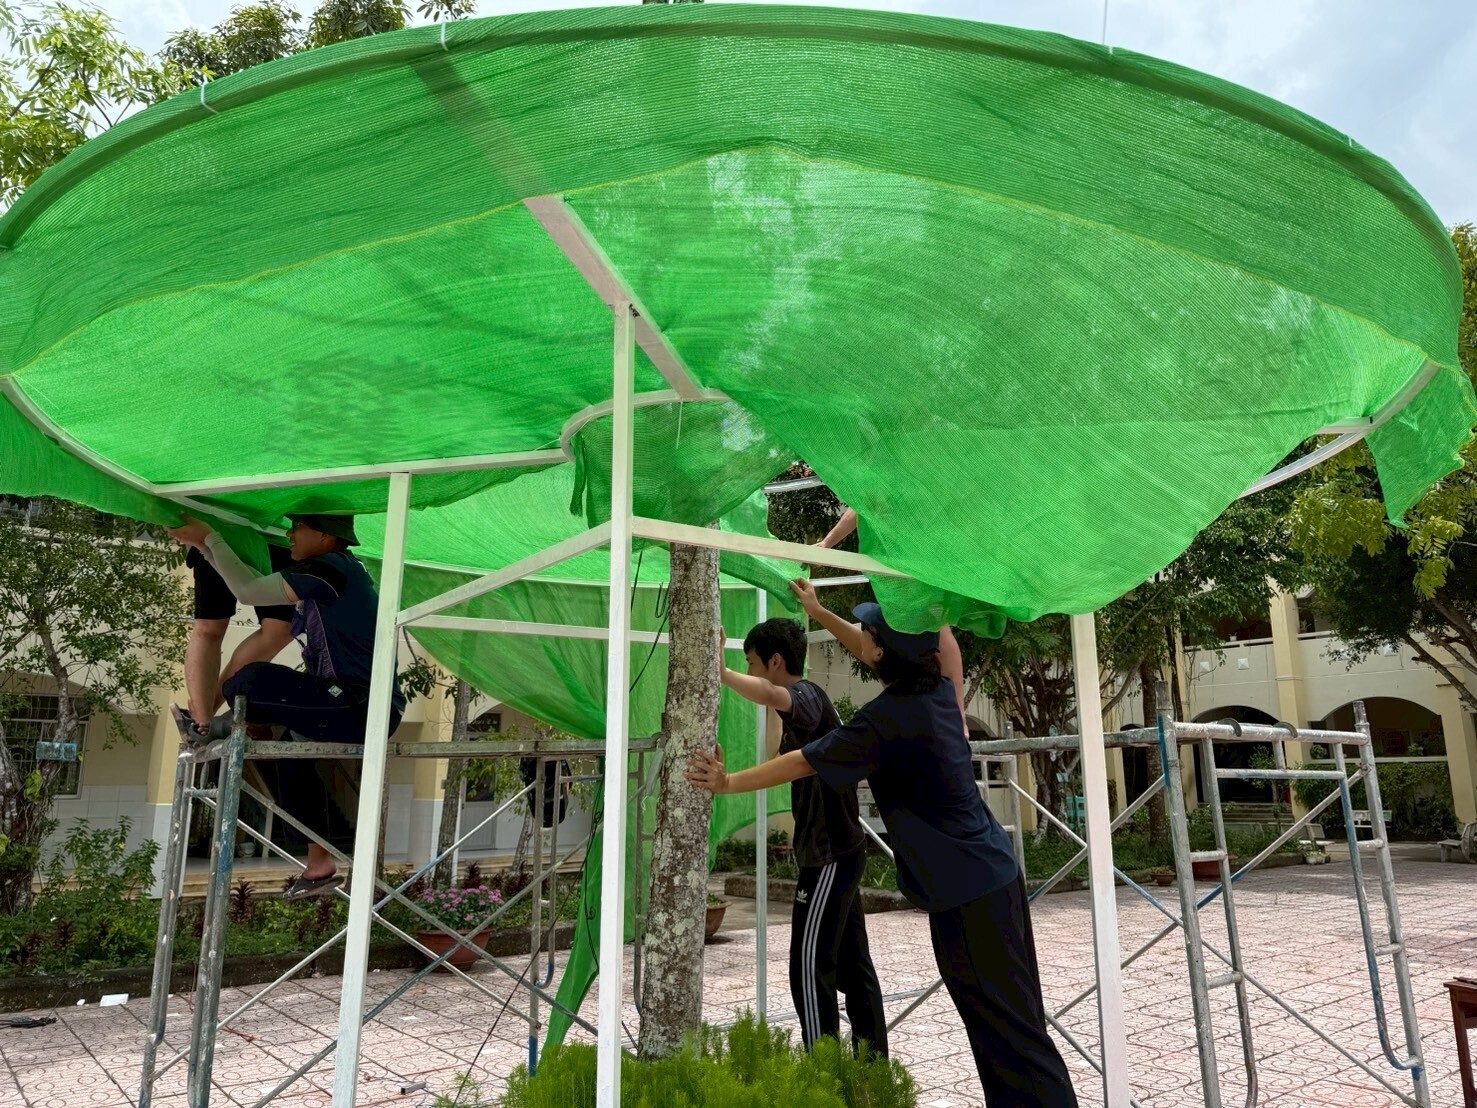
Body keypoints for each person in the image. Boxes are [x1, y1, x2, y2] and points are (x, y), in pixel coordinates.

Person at [688, 581, 1078, 1108]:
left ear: (882, 651)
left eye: (869, 631)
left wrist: (728, 782)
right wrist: (819, 611)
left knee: (1009, 1036)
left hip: (965, 894)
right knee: (1008, 1028)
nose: (863, 637)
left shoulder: (885, 721)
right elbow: (897, 645)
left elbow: (805, 760)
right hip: (992, 878)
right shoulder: (938, 688)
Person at [168, 513, 404, 899]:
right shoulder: (334, 572)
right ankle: (319, 862)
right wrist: (206, 549)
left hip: (358, 705)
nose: (290, 535)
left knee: (249, 680)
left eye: (298, 528)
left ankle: (233, 726)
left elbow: (248, 590)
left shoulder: (329, 570)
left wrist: (212, 537)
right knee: (289, 759)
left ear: (325, 535)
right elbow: (246, 579)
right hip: (353, 704)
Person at [720, 617, 888, 1058]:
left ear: (775, 661)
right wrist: (766, 704)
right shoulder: (801, 709)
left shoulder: (807, 695)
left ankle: (824, 1073)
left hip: (830, 855)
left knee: (810, 968)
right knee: (854, 966)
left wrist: (720, 673)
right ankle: (871, 1070)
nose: (751, 672)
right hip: (842, 850)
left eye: (753, 663)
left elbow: (776, 693)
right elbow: (773, 746)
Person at [814, 507, 970, 737]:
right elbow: (861, 504)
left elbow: (861, 504)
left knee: (935, 628)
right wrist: (827, 543)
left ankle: (959, 717)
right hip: (897, 559)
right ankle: (955, 717)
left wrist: (828, 543)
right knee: (907, 639)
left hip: (911, 555)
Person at [170, 542, 295, 741]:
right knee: (210, 627)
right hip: (219, 527)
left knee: (279, 630)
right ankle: (202, 724)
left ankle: (202, 721)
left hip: (270, 537)